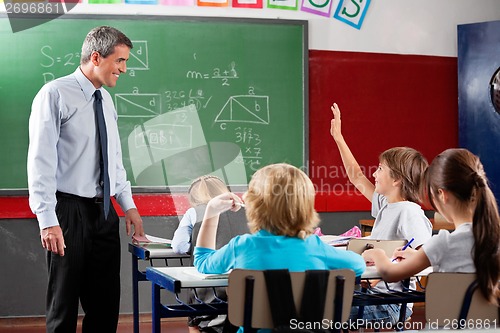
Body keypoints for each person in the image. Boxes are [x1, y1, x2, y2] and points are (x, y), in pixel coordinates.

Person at [27, 26, 144, 333]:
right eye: (120, 61)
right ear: (96, 57)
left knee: (105, 307)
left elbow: (113, 160)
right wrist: (47, 219)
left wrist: (127, 205)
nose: (124, 69)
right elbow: (40, 162)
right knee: (63, 306)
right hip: (67, 213)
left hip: (104, 214)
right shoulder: (54, 95)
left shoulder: (106, 101)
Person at [329, 102, 432, 324]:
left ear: (396, 180)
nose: (374, 173)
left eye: (380, 169)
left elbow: (426, 257)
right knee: (322, 305)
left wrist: (389, 266)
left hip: (391, 303)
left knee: (325, 313)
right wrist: (338, 137)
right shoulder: (386, 203)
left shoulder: (409, 213)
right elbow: (356, 177)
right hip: (370, 295)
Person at [362, 148, 500, 307]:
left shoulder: (442, 244)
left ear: (442, 195)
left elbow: (389, 273)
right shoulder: (493, 239)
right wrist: (415, 254)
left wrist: (377, 253)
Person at [193, 162, 366, 280]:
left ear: (253, 205)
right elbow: (358, 265)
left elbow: (202, 262)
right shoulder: (316, 247)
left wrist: (211, 211)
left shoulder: (242, 246)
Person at [172, 175, 249, 333]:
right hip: (245, 288)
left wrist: (194, 244)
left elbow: (178, 246)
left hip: (207, 290)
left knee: (193, 320)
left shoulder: (194, 212)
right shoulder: (245, 210)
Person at [172, 175, 232, 255]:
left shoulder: (193, 212)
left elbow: (179, 247)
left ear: (194, 197)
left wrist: (196, 247)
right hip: (243, 265)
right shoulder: (243, 210)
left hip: (207, 264)